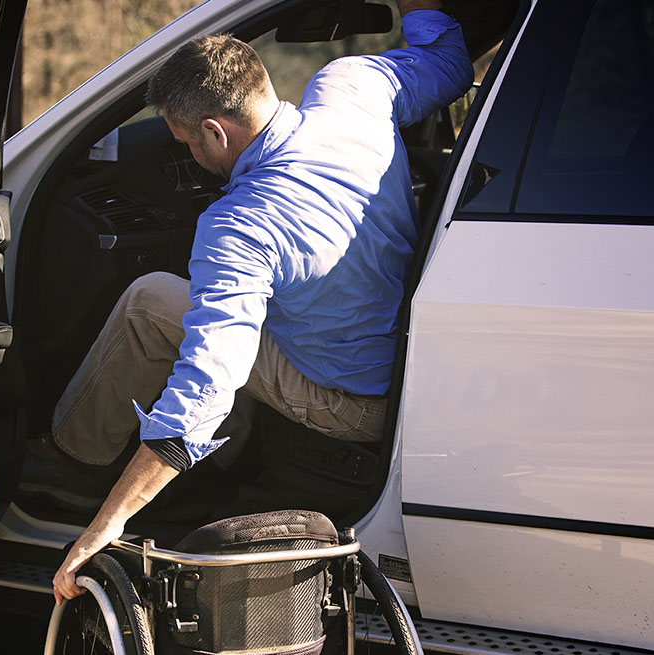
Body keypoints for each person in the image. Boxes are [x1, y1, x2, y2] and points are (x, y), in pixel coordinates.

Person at [23, 0, 473, 605]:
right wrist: (420, 7)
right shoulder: (353, 87)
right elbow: (448, 64)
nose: (187, 154)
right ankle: (225, 463)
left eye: (185, 141)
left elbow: (207, 386)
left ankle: (71, 466)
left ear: (214, 131)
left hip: (352, 405)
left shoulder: (240, 225)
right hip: (408, 367)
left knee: (150, 302)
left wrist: (111, 520)